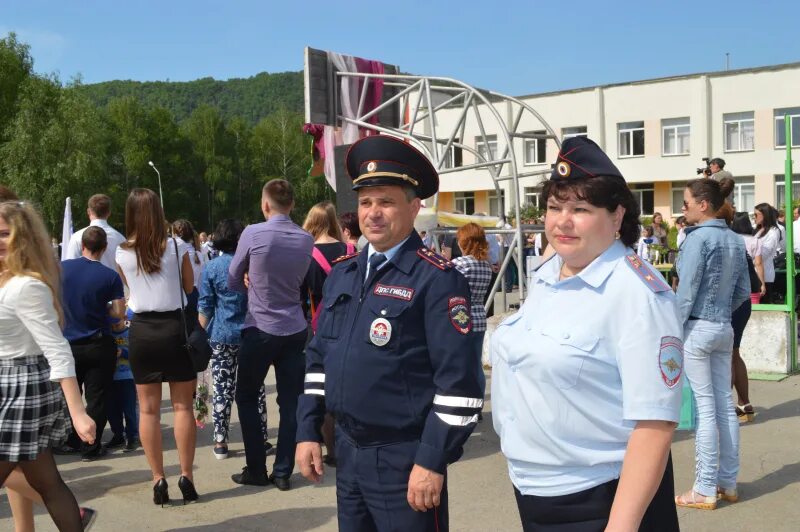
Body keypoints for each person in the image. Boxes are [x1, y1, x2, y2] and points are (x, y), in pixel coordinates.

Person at [490, 136, 682, 531]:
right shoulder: (546, 275)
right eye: (554, 207)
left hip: (599, 498)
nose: (562, 220)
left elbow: (655, 425)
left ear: (616, 217)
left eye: (580, 209)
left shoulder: (636, 294)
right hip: (534, 491)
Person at [296, 135, 485, 532]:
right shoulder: (344, 274)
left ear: (414, 207)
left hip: (406, 459)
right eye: (366, 202)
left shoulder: (438, 280)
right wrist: (307, 430)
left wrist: (432, 459)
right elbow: (317, 361)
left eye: (386, 201)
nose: (373, 213)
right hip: (347, 453)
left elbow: (461, 385)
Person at [0, 200, 97, 531]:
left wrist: (77, 411)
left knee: (48, 484)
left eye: (4, 234)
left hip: (21, 390)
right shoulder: (5, 280)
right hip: (9, 387)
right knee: (48, 484)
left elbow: (57, 349)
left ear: (22, 238)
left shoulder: (26, 286)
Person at [115, 188, 199, 506]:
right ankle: (186, 475)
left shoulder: (122, 252)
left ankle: (158, 478)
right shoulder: (177, 246)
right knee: (183, 408)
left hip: (142, 332)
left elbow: (128, 287)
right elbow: (190, 288)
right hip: (174, 329)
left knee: (148, 410)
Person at [228, 179, 313, 491]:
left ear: (265, 205)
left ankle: (255, 469)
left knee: (247, 396)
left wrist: (250, 285)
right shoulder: (305, 238)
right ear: (291, 205)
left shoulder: (253, 232)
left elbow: (233, 277)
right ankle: (283, 471)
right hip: (294, 328)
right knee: (291, 403)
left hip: (260, 327)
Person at [675, 178, 749, 510]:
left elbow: (686, 292)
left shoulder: (697, 240)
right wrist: (720, 314)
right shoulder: (735, 239)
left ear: (703, 204)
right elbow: (743, 291)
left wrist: (672, 333)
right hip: (723, 328)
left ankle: (704, 487)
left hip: (698, 329)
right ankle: (727, 483)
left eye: (687, 202)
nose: (683, 207)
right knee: (723, 405)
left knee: (705, 409)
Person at [198, 219, 269, 461]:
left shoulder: (212, 267)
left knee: (221, 388)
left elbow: (205, 305)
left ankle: (220, 441)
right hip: (251, 332)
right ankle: (260, 436)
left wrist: (198, 335)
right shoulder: (252, 265)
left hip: (220, 334)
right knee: (255, 388)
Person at [60, 227, 126, 461]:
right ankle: (91, 445)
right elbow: (118, 312)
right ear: (104, 247)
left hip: (67, 342)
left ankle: (70, 439)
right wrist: (105, 309)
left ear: (82, 245)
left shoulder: (62, 269)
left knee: (70, 395)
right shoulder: (110, 276)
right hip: (98, 341)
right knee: (98, 397)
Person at [301, 201, 352, 467]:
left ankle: (331, 451)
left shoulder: (308, 255)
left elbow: (301, 295)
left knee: (322, 388)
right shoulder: (351, 249)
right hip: (352, 323)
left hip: (321, 324)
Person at [730, 212, 761, 422]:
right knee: (734, 353)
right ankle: (744, 402)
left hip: (729, 304)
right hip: (744, 302)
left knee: (726, 356)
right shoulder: (742, 243)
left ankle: (726, 407)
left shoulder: (726, 243)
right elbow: (755, 269)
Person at [451, 223, 492, 350]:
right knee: (475, 362)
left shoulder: (458, 263)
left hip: (460, 320)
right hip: (480, 318)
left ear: (464, 242)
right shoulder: (486, 266)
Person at [105, 308, 140, 453]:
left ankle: (132, 436)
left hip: (128, 377)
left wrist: (123, 352)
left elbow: (138, 353)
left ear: (123, 317)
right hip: (112, 378)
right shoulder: (108, 335)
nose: (114, 326)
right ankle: (118, 434)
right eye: (111, 323)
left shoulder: (131, 333)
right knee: (112, 410)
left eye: (117, 322)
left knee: (129, 409)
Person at [64, 194, 126, 270]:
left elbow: (70, 267)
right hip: (112, 280)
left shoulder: (77, 237)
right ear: (109, 212)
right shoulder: (120, 239)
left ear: (88, 211)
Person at [172, 219, 207, 317]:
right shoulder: (198, 254)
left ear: (175, 234)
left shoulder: (174, 253)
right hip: (195, 294)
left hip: (180, 294)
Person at [753, 202, 781, 303]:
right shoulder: (760, 230)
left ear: (764, 215)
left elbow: (763, 254)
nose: (754, 217)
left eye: (756, 215)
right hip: (756, 273)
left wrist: (751, 253)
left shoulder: (773, 232)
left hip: (765, 276)